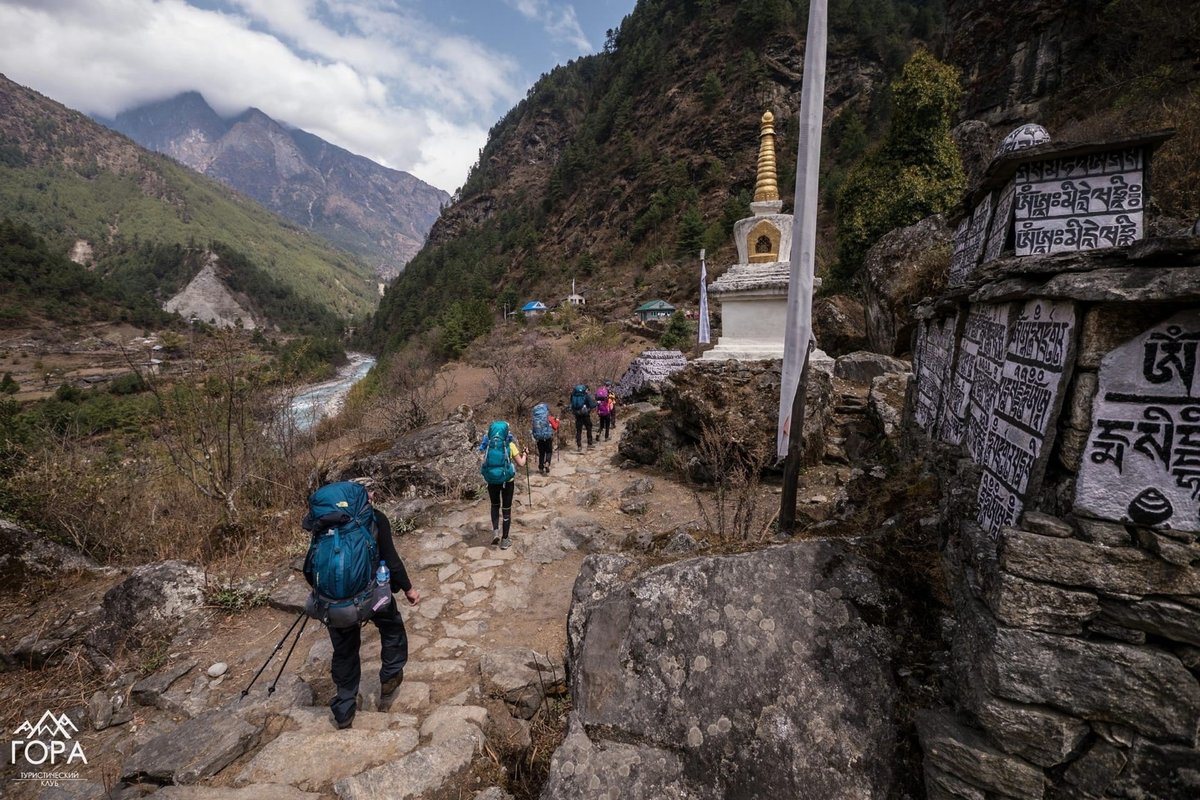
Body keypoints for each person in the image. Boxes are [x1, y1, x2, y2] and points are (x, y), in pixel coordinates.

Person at [305, 483, 420, 730]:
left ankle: (345, 708)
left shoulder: (323, 523)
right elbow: (392, 560)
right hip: (373, 596)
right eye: (369, 490)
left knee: (344, 650)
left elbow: (310, 565)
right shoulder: (375, 518)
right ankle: (390, 677)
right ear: (363, 496)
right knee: (391, 626)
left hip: (335, 604)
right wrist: (408, 589)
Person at [478, 420, 527, 549]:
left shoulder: (488, 445)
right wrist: (525, 454)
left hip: (492, 481)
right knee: (506, 509)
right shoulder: (510, 445)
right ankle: (505, 540)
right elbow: (521, 463)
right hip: (507, 481)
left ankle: (495, 532)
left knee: (495, 505)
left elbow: (482, 461)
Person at [531, 402, 558, 474]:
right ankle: (547, 462)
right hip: (547, 437)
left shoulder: (535, 418)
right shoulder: (549, 418)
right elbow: (555, 427)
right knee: (549, 451)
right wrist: (557, 422)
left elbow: (533, 429)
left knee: (541, 453)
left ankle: (541, 468)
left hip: (539, 438)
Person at [570, 384, 596, 449]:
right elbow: (592, 405)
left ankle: (579, 445)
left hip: (577, 415)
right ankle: (589, 444)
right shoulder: (586, 396)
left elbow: (572, 404)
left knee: (579, 430)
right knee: (589, 428)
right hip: (585, 415)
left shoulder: (573, 395)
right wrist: (597, 404)